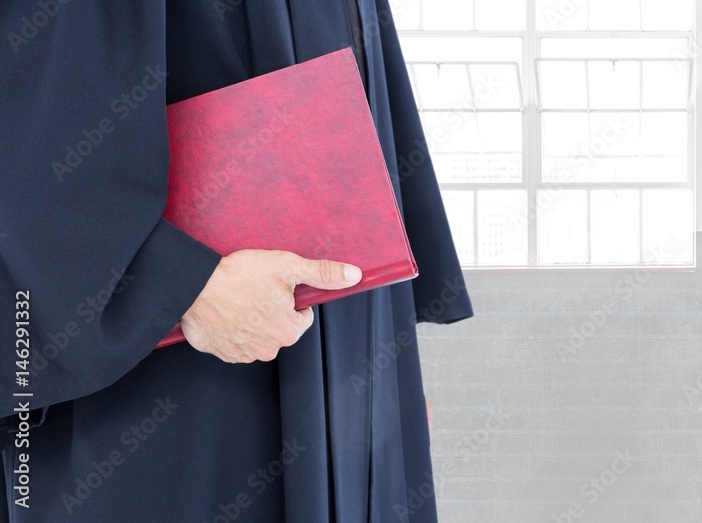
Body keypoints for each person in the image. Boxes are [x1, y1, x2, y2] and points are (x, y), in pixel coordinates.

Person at [0, 1, 473, 521]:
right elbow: (33, 123)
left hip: (336, 352)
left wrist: (389, 367)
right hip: (172, 377)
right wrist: (179, 285)